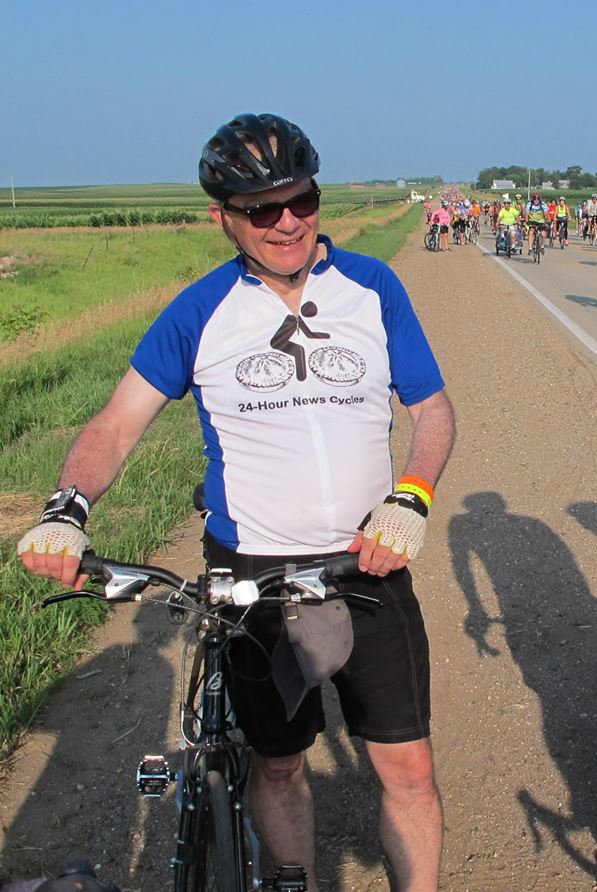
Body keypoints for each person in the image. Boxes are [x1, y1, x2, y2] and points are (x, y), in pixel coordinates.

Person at [17, 112, 456, 892]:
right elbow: (115, 428)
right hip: (252, 574)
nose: (288, 223)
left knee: (411, 768)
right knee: (281, 766)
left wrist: (412, 496)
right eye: (263, 210)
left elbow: (432, 411)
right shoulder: (199, 312)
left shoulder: (372, 288)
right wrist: (66, 508)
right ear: (223, 217)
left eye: (302, 201)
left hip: (369, 561)